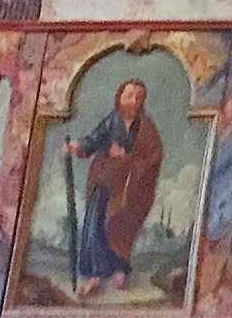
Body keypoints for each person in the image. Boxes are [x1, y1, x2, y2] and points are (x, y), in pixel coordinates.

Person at [61, 79, 163, 297]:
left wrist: (129, 158)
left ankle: (119, 268)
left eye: (138, 97)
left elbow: (154, 155)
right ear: (119, 97)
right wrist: (76, 146)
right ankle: (95, 274)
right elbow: (93, 139)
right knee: (95, 224)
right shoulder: (112, 121)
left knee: (120, 225)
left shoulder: (146, 127)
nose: (133, 101)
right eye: (129, 96)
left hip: (129, 186)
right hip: (105, 179)